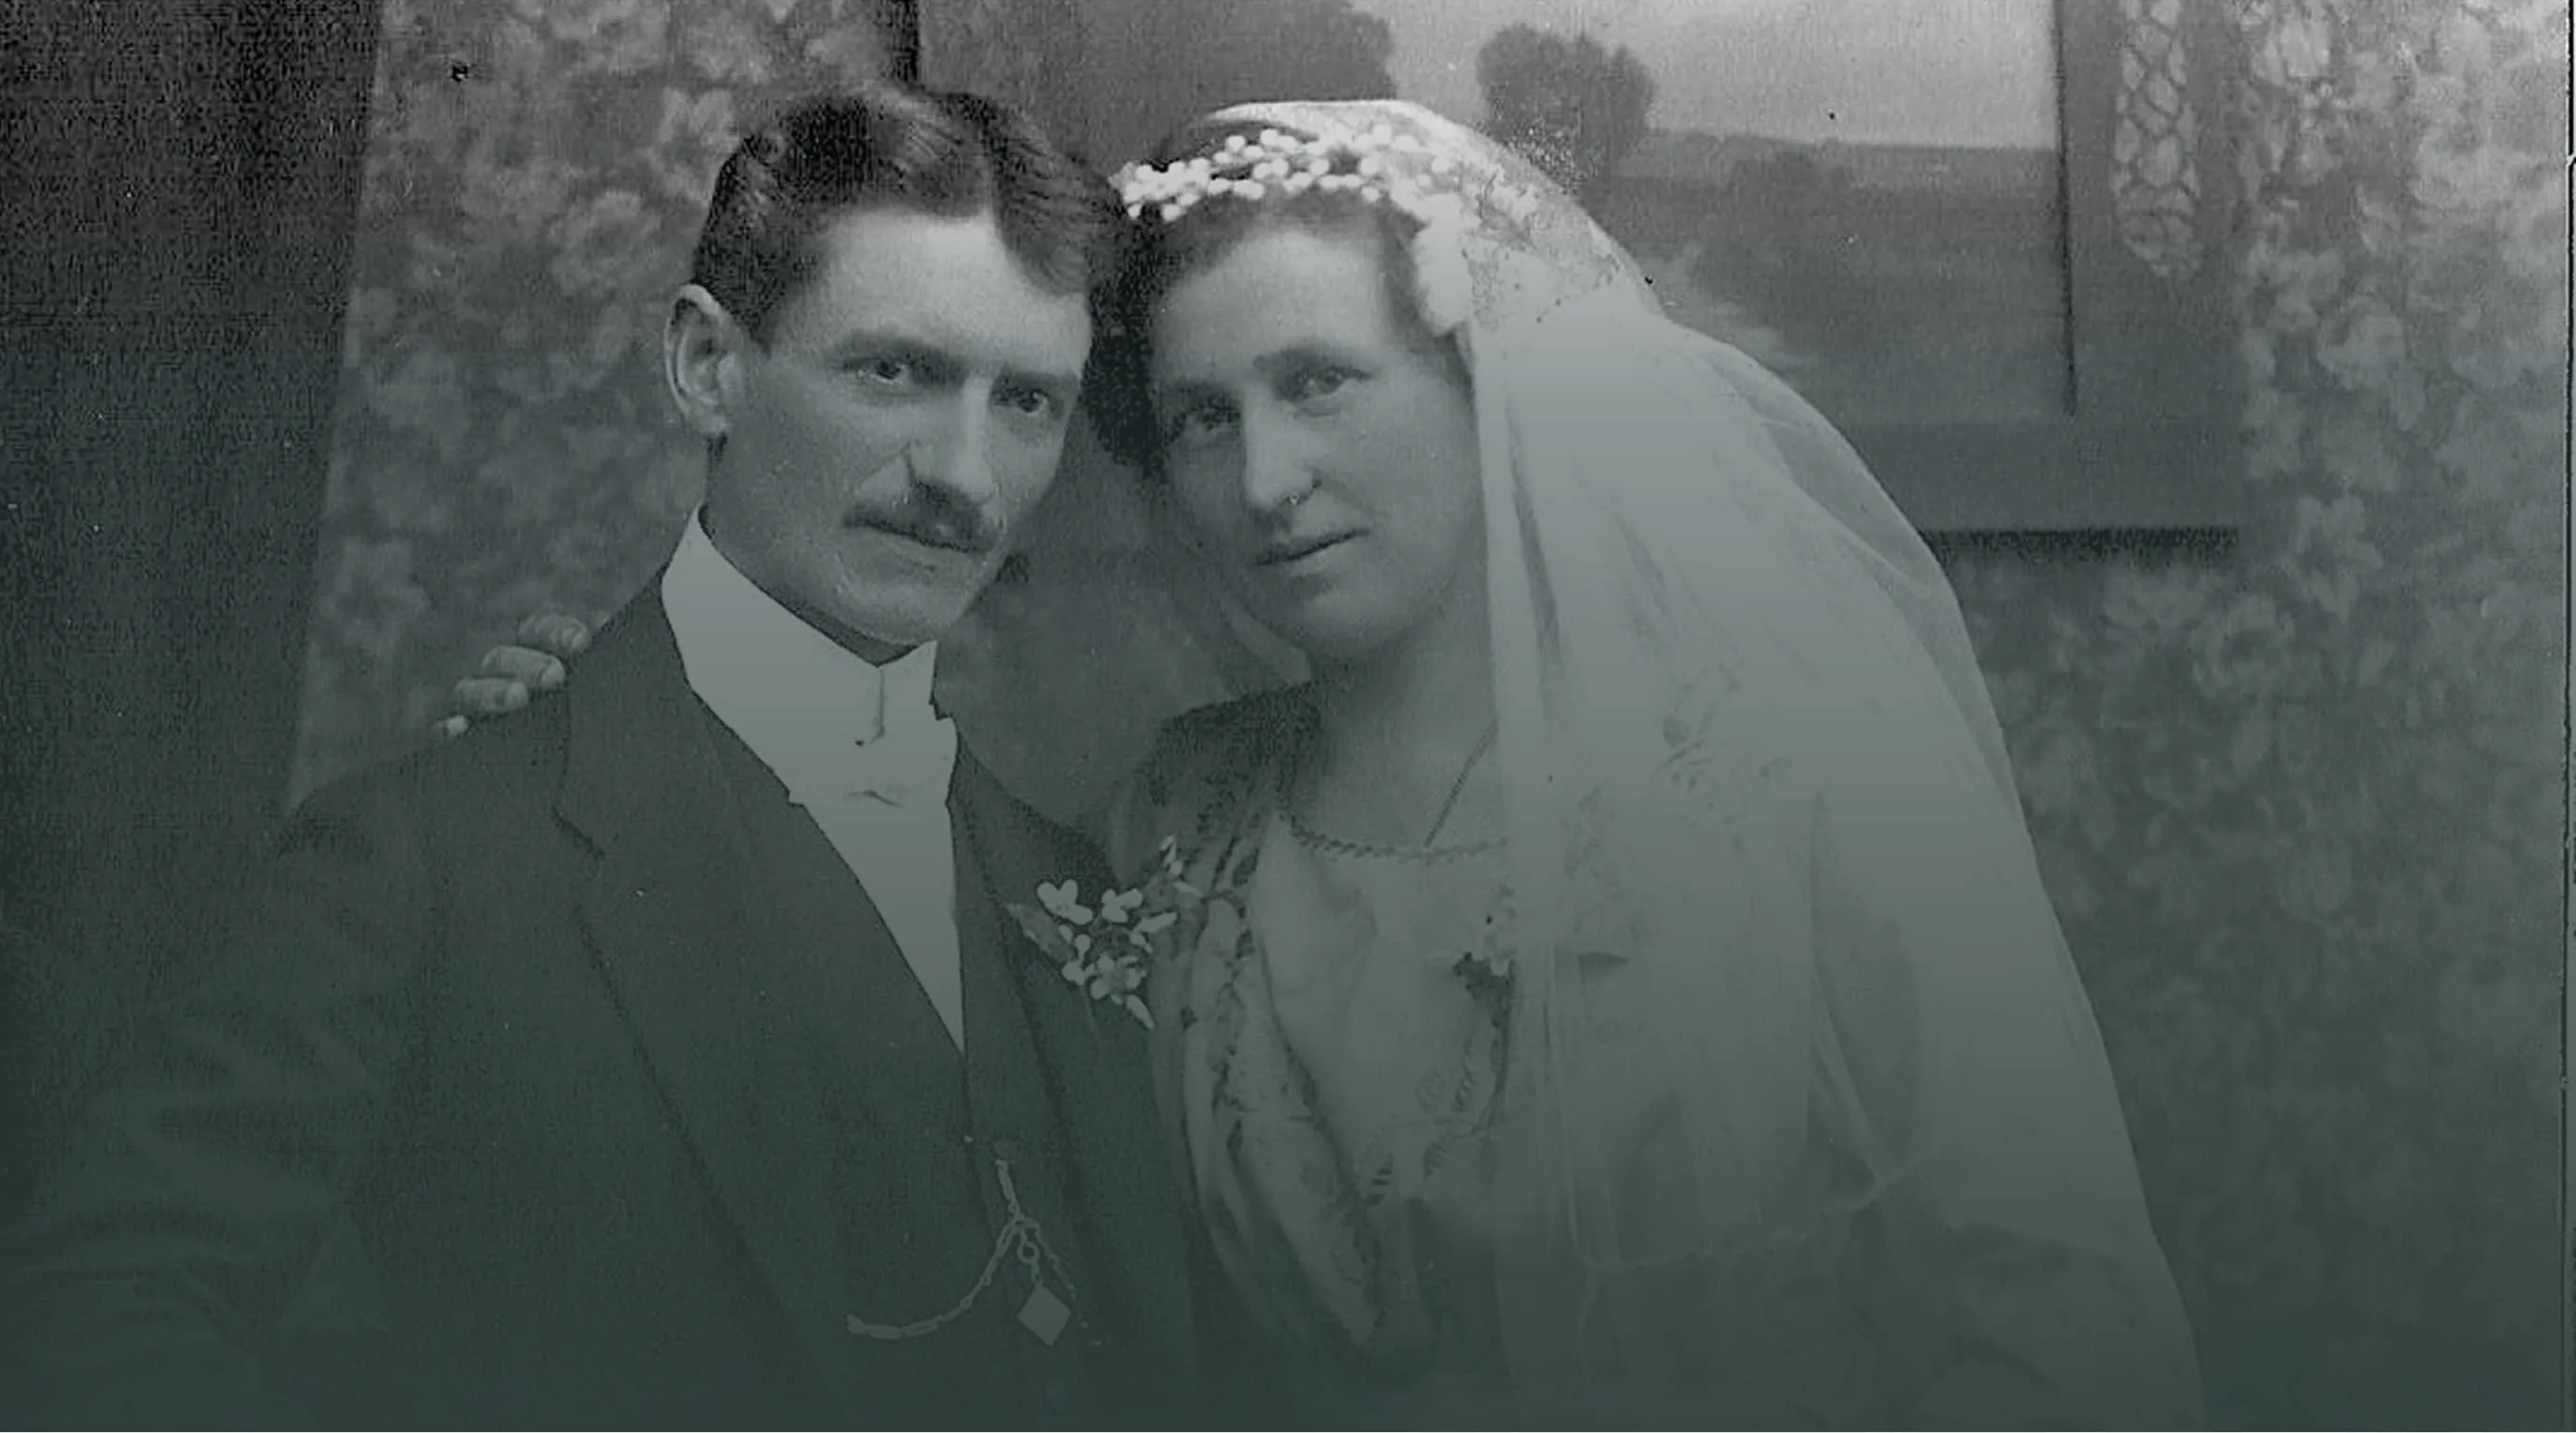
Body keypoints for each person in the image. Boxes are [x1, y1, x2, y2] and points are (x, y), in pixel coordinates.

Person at [455, 100, 2207, 1427]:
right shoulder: (1170, 823)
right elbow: (889, 1078)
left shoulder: (1800, 798)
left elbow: (2066, 1333)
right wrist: (650, 751)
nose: (1264, 480)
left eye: (1322, 385)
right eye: (1204, 419)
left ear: (1484, 391)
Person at [0, 84, 1210, 1429]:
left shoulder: (1063, 873)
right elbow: (101, 1299)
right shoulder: (425, 858)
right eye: (897, 372)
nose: (967, 478)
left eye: (1027, 402)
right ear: (707, 365)